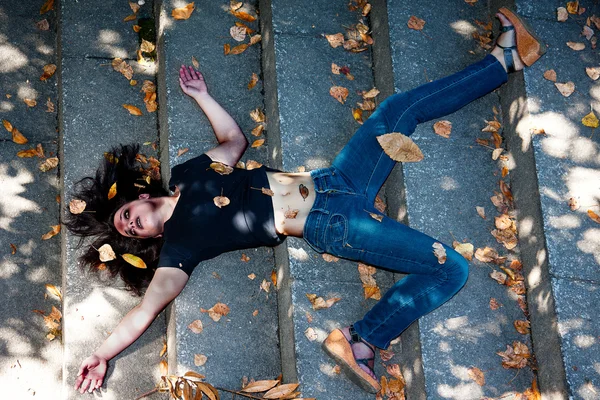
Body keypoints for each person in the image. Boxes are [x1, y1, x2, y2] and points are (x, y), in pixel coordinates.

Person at [67, 8, 544, 395]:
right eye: (129, 232)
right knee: (451, 268)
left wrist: (202, 95)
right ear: (145, 241)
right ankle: (361, 339)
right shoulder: (177, 253)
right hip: (331, 221)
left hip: (335, 180)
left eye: (126, 214)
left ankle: (504, 62)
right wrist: (102, 354)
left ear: (142, 196)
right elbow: (144, 312)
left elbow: (233, 141)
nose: (129, 225)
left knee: (396, 110)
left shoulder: (187, 175)